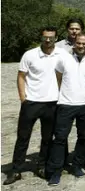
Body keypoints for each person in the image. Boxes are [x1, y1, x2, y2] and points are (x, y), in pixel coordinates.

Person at [5, 26, 65, 185]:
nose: (47, 40)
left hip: (52, 102)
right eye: (45, 37)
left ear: (56, 38)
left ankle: (42, 166)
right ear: (41, 37)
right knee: (23, 137)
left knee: (47, 138)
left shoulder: (62, 55)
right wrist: (23, 98)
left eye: (51, 38)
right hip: (31, 102)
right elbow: (21, 76)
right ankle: (16, 170)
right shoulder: (30, 55)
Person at [46, 33, 85, 186]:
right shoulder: (63, 58)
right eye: (78, 43)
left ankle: (77, 166)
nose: (81, 46)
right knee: (60, 138)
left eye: (84, 43)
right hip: (66, 104)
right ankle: (56, 171)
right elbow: (58, 77)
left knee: (84, 137)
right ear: (74, 44)